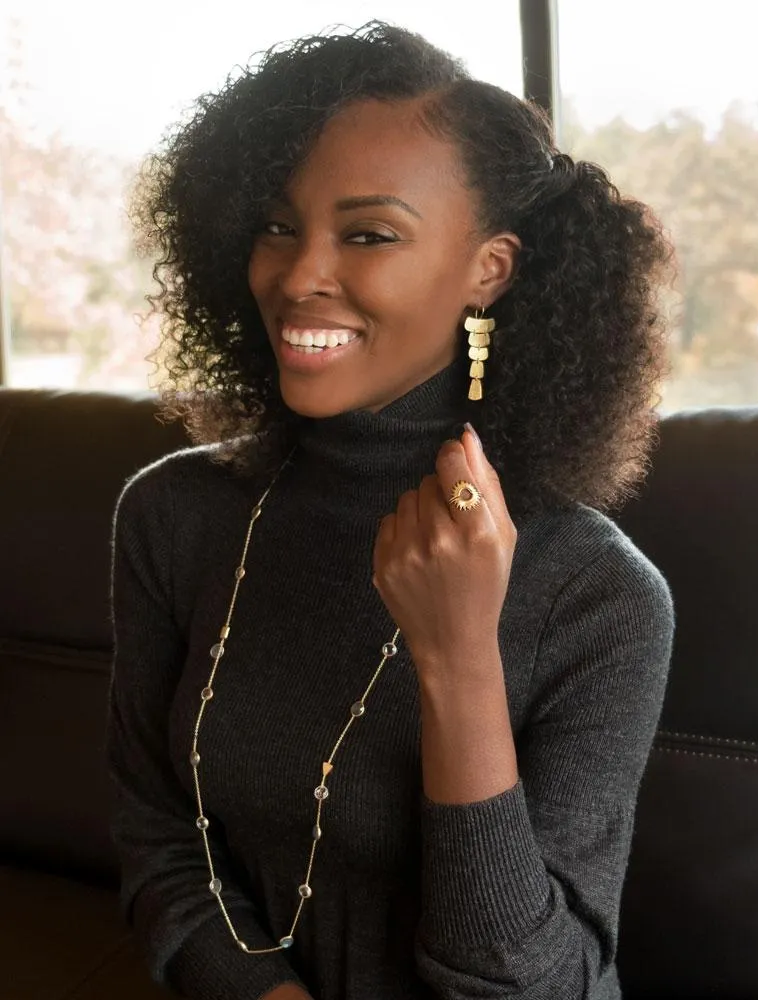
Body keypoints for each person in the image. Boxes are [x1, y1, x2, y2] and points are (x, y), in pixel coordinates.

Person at [108, 21, 675, 1000]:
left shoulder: (596, 592)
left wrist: (458, 658)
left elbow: (536, 988)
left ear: (487, 271)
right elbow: (159, 832)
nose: (296, 274)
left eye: (368, 234)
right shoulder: (175, 514)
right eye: (278, 225)